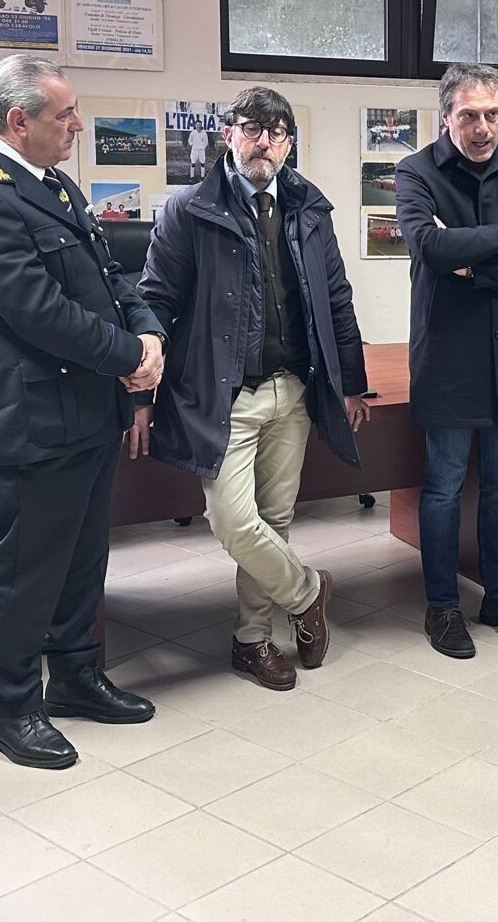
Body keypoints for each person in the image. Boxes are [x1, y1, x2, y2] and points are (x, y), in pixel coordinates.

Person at [0, 54, 165, 770]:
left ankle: (74, 676)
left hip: (87, 409)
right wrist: (129, 355)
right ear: (18, 121)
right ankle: (9, 709)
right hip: (33, 419)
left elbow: (109, 275)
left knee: (80, 560)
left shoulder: (53, 183)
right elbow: (40, 315)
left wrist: (147, 330)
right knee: (27, 571)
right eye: (65, 113)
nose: (77, 123)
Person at [130, 87, 368, 691]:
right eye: (251, 126)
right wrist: (137, 396)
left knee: (276, 519)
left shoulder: (310, 209)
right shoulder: (188, 209)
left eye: (278, 129)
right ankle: (309, 592)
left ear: (289, 141)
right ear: (228, 135)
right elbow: (153, 303)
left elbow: (335, 299)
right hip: (223, 394)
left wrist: (353, 384)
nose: (264, 139)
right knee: (234, 521)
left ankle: (251, 640)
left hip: (294, 389)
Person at [394, 62, 498, 658]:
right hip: (450, 355)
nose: (483, 127)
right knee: (440, 487)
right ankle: (442, 606)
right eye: (469, 115)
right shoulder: (414, 172)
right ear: (446, 117)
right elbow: (429, 246)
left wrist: (474, 259)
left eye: (492, 114)